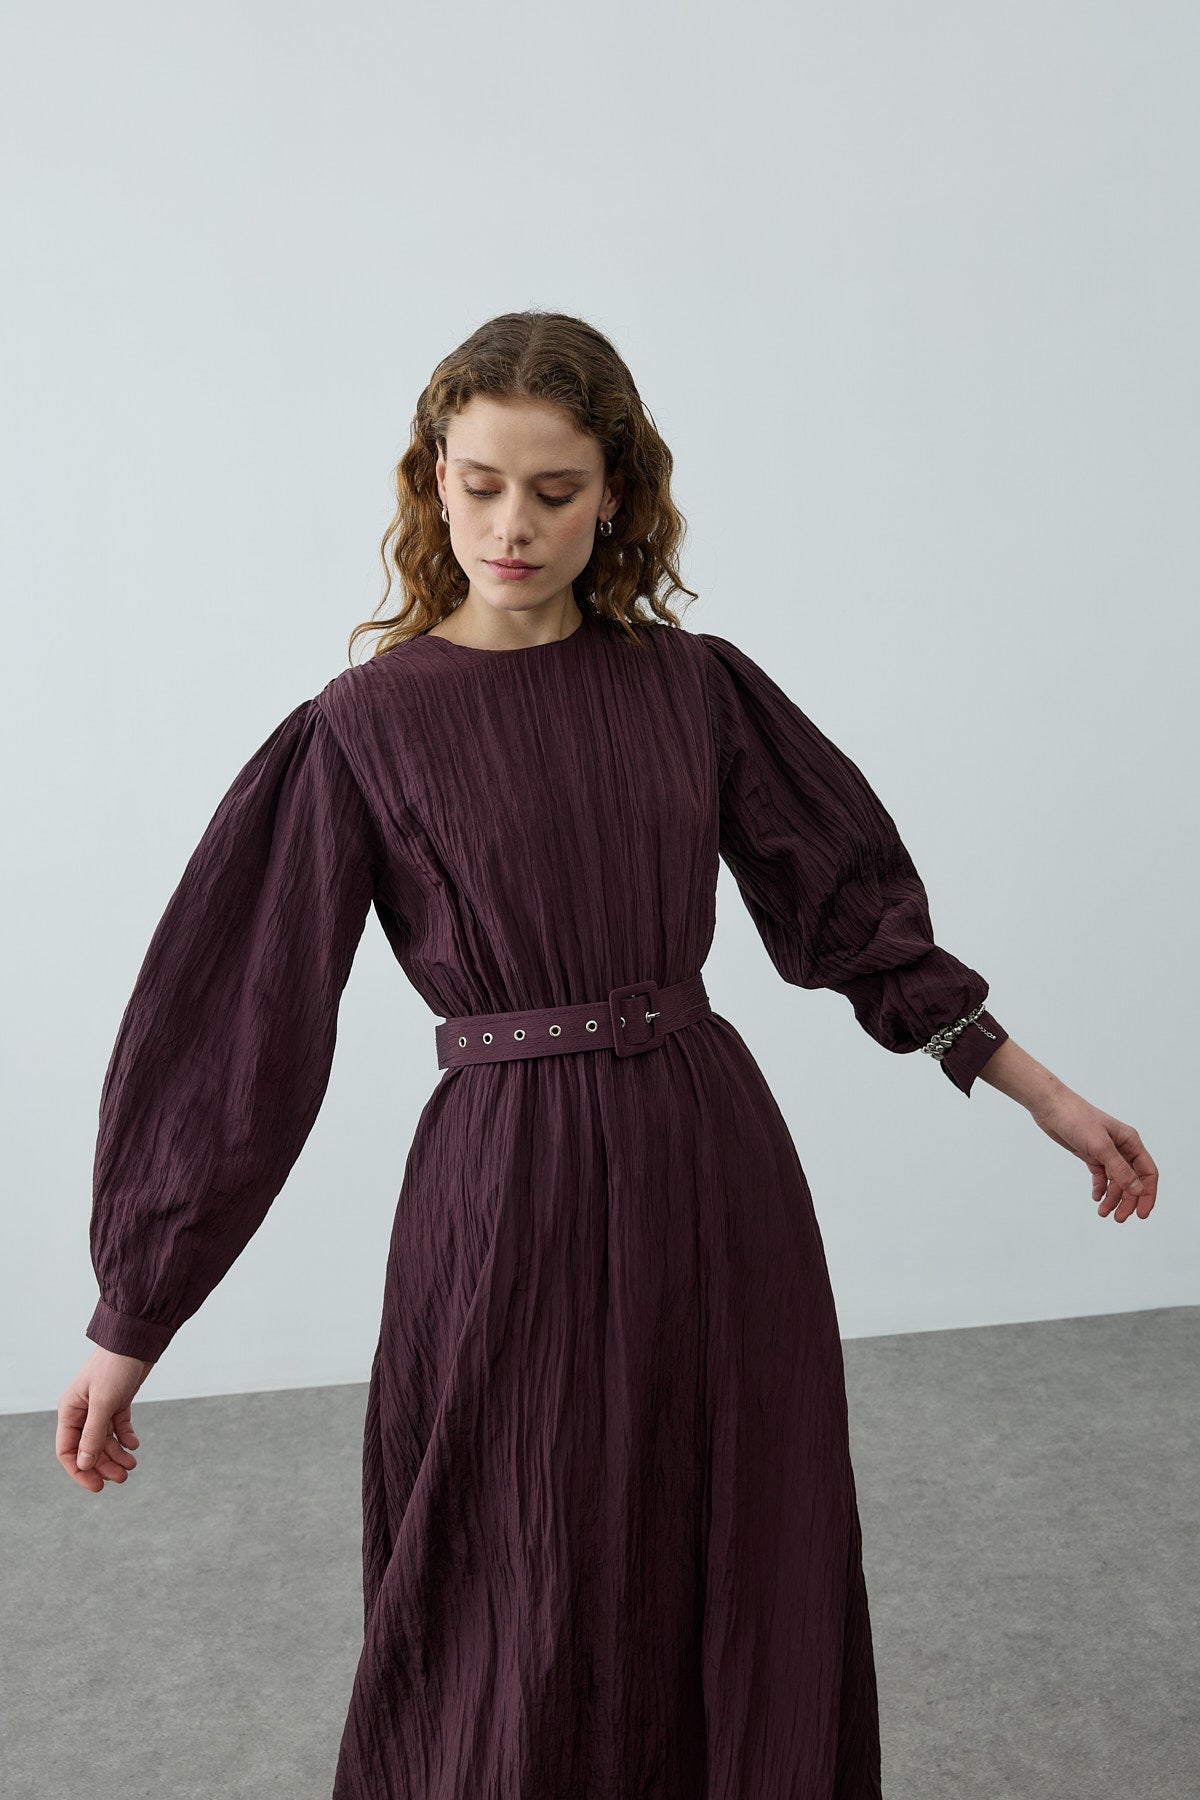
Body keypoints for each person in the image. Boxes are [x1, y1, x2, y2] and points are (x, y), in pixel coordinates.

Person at [57, 309, 1158, 1799]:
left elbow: (856, 921)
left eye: (556, 489)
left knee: (741, 1551)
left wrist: (1043, 1095)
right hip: (503, 1190)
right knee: (510, 1566)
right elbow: (239, 1038)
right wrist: (131, 1321)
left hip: (710, 1166)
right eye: (480, 484)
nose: (512, 524)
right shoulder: (359, 730)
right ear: (432, 483)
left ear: (617, 495)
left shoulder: (694, 687)